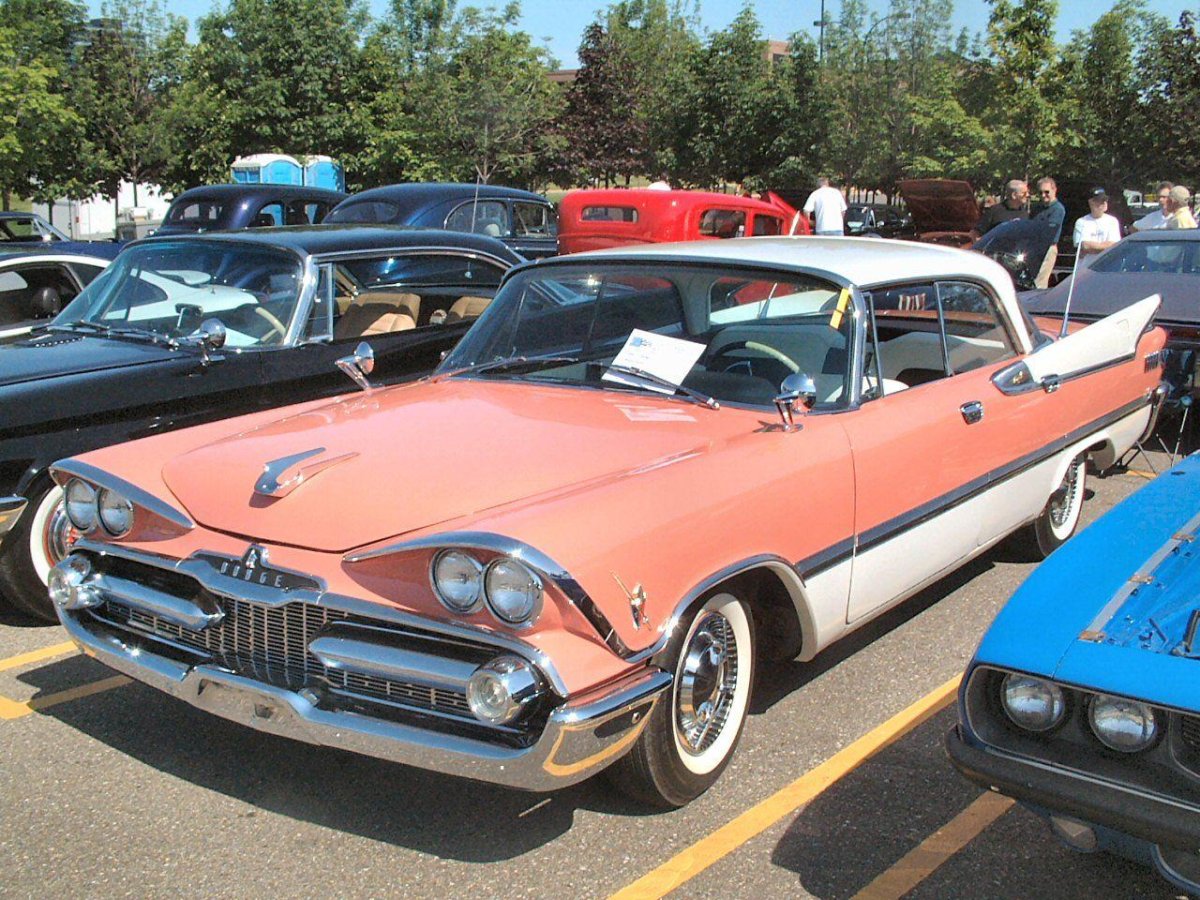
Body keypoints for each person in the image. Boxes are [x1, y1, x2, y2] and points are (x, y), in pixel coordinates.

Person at [1030, 177, 1065, 288]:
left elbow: (1049, 231)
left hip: (1047, 248)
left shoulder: (1058, 209)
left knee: (1039, 283)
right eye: (1040, 192)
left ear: (1054, 190)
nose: (1043, 195)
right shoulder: (1037, 208)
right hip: (1033, 248)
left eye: (1047, 192)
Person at [1073, 187, 1122, 258]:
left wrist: (1092, 248)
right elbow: (1085, 246)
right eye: (1100, 200)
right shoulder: (1081, 222)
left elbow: (1114, 246)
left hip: (1105, 266)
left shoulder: (1113, 221)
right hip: (1085, 267)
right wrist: (1105, 247)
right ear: (1090, 202)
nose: (1104, 203)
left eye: (1105, 200)